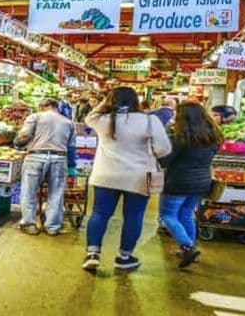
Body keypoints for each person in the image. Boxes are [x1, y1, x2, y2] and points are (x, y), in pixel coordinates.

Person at [82, 87, 171, 272]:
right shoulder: (149, 120)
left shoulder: (103, 120)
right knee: (134, 216)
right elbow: (163, 149)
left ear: (109, 100)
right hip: (138, 177)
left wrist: (106, 102)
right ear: (135, 101)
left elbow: (89, 117)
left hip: (105, 176)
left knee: (99, 214)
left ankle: (92, 254)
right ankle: (124, 257)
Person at [159, 102, 223, 268]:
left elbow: (165, 161)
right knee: (186, 214)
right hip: (202, 182)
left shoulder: (180, 138)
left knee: (168, 216)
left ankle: (186, 247)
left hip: (178, 182)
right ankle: (190, 247)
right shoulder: (213, 136)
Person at [14, 98, 77, 236]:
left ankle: (29, 223)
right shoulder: (68, 122)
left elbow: (24, 135)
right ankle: (52, 227)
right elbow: (71, 148)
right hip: (59, 158)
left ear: (44, 106)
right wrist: (72, 166)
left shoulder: (35, 117)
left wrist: (17, 143)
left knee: (29, 192)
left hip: (35, 157)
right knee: (56, 193)